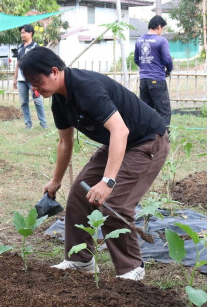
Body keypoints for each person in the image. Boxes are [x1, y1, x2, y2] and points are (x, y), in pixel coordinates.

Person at [18, 47, 169, 281]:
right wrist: (56, 180)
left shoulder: (87, 88)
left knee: (114, 203)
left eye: (37, 82)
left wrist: (108, 182)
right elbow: (65, 142)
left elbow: (120, 131)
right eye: (31, 85)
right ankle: (80, 260)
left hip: (148, 142)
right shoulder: (60, 100)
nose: (35, 90)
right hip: (119, 143)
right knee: (80, 193)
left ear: (54, 72)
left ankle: (132, 269)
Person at [134, 15, 173, 127]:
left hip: (143, 81)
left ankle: (146, 135)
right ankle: (163, 135)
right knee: (164, 111)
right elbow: (167, 59)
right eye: (163, 29)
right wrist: (169, 69)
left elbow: (136, 60)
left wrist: (146, 67)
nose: (162, 32)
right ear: (159, 27)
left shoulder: (139, 40)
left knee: (146, 111)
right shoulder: (161, 40)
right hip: (157, 80)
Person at [12, 24, 47, 129]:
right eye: (21, 33)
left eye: (24, 33)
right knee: (23, 103)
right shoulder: (20, 48)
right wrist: (15, 78)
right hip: (21, 80)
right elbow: (18, 64)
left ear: (30, 33)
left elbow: (40, 63)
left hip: (33, 80)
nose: (22, 35)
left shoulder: (36, 47)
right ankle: (28, 124)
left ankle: (43, 123)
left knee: (37, 101)